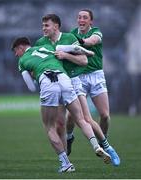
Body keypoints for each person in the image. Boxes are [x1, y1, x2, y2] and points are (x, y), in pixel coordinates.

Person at [11, 37, 111, 173]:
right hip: (64, 79)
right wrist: (88, 53)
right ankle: (96, 146)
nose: (16, 55)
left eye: (15, 51)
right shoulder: (47, 47)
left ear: (21, 48)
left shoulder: (22, 61)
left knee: (49, 127)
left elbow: (31, 87)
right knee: (81, 119)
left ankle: (66, 164)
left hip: (47, 81)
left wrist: (35, 76)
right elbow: (75, 48)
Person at [35, 13, 120, 166]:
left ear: (56, 26)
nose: (43, 28)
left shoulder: (74, 37)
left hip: (77, 79)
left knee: (93, 118)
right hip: (57, 84)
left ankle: (107, 147)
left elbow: (84, 59)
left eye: (46, 25)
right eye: (43, 25)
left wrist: (66, 55)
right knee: (62, 123)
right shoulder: (41, 42)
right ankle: (66, 160)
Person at [66, 9, 120, 166]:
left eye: (85, 17)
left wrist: (79, 42)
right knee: (71, 116)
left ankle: (104, 142)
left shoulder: (96, 32)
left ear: (91, 21)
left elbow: (92, 41)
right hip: (79, 77)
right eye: (79, 17)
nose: (81, 19)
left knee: (105, 115)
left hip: (96, 76)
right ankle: (69, 137)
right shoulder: (72, 33)